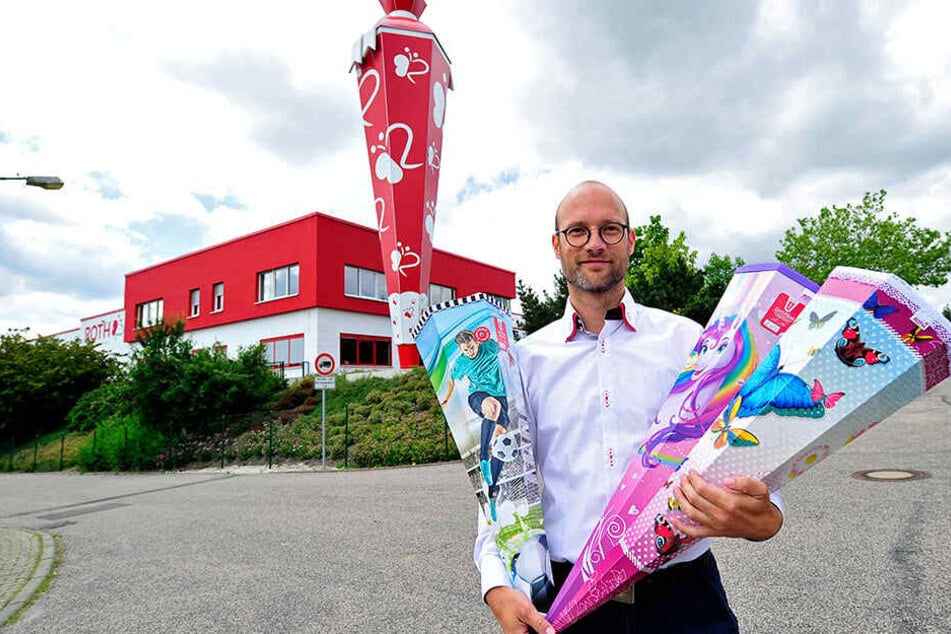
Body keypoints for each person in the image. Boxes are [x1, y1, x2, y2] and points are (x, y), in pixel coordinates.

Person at [475, 181, 784, 634]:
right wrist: (496, 584)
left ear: (631, 240)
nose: (594, 242)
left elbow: (744, 439)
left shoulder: (690, 340)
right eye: (577, 231)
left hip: (685, 597)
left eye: (610, 229)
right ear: (557, 245)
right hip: (571, 602)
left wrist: (768, 512)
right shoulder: (523, 361)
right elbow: (501, 485)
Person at [442, 329, 511, 521]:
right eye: (465, 350)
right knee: (492, 407)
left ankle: (492, 490)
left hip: (500, 395)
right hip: (478, 396)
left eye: (471, 347)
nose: (470, 352)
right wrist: (447, 399)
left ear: (476, 342)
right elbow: (451, 381)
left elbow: (505, 347)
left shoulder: (488, 346)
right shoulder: (460, 363)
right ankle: (483, 458)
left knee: (500, 440)